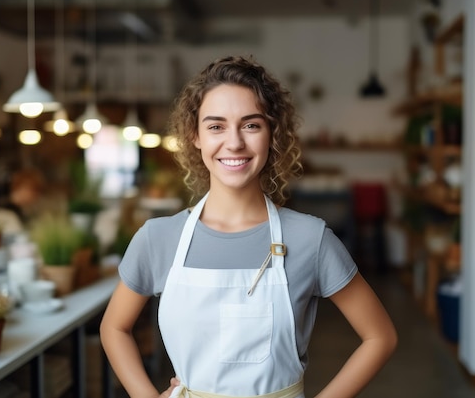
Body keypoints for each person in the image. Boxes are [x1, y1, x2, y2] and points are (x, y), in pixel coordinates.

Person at [100, 56, 397, 398]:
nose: (235, 142)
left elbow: (380, 337)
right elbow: (114, 328)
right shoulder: (158, 239)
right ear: (195, 136)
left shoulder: (309, 239)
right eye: (216, 126)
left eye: (251, 125)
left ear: (272, 135)